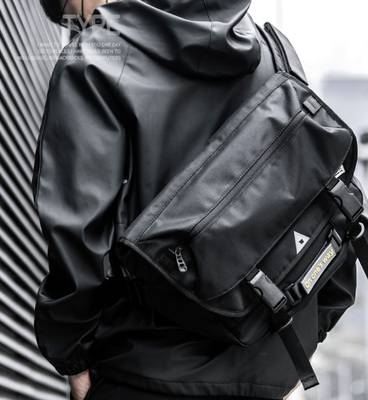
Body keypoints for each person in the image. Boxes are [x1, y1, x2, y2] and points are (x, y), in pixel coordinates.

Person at [33, 0, 298, 399]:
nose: (81, 25)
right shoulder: (273, 49)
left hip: (142, 370)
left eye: (74, 10)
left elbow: (77, 231)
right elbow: (327, 194)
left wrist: (71, 354)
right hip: (267, 368)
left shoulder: (93, 58)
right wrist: (296, 344)